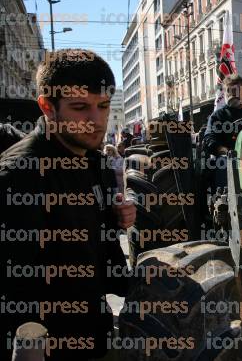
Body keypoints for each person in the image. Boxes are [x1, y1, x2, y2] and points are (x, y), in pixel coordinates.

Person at [0, 49, 136, 360]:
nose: (95, 121)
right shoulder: (18, 174)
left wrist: (115, 219)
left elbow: (94, 244)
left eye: (102, 106)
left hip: (96, 333)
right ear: (48, 107)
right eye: (80, 107)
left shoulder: (94, 162)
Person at [203, 74, 242, 156]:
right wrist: (225, 151)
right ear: (224, 93)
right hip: (228, 162)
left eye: (237, 90)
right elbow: (209, 139)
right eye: (229, 91)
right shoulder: (218, 116)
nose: (233, 94)